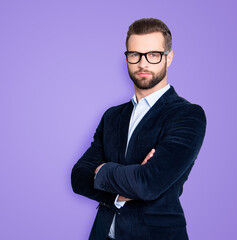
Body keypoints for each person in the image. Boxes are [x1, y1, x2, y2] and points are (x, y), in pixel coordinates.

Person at [71, 18, 206, 240]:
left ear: (168, 58)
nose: (142, 63)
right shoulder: (112, 116)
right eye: (135, 55)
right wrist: (125, 187)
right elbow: (78, 177)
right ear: (127, 59)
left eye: (153, 55)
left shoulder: (187, 115)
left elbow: (147, 185)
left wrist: (102, 170)